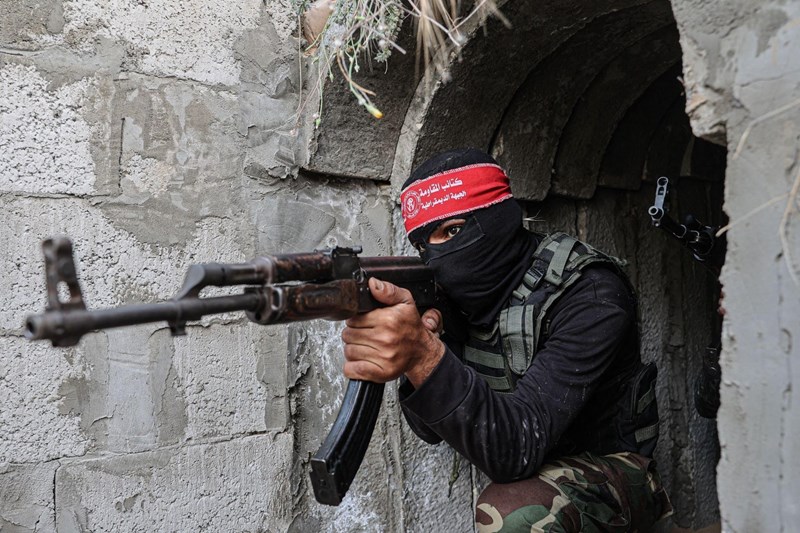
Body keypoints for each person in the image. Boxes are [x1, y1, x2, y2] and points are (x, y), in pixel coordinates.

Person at [341, 149, 672, 532]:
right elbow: (428, 430)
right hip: (539, 475)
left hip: (619, 481)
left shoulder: (591, 293)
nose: (438, 256)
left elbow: (515, 452)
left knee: (513, 512)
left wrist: (422, 354)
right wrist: (428, 341)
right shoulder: (461, 302)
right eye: (423, 245)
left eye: (452, 230)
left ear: (498, 218)